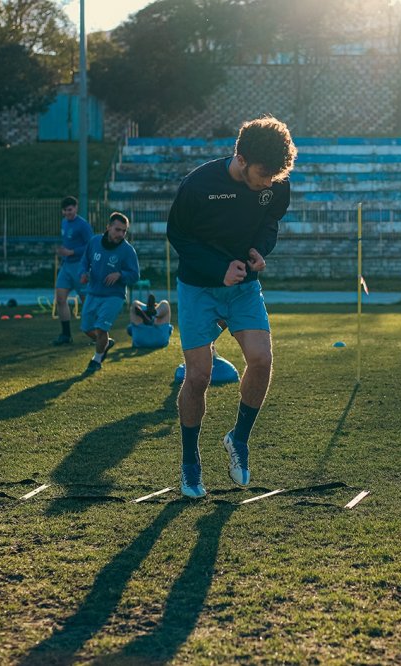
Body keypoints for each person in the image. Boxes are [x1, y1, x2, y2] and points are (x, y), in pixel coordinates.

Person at [167, 115, 296, 499]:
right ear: (240, 158)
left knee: (261, 359)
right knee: (199, 376)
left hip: (242, 286)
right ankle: (190, 462)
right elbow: (178, 235)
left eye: (275, 175)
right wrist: (216, 268)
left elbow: (270, 221)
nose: (269, 182)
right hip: (198, 286)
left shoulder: (275, 185)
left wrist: (261, 250)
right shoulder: (198, 185)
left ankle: (238, 439)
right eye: (263, 173)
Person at [78, 211, 140, 374]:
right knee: (86, 328)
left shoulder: (128, 250)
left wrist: (120, 274)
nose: (121, 234)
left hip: (114, 295)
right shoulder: (94, 241)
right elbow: (85, 261)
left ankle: (97, 360)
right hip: (93, 292)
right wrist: (83, 274)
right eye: (117, 230)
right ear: (108, 227)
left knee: (101, 328)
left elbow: (135, 275)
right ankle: (105, 343)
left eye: (124, 231)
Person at [52, 196, 93, 345]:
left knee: (86, 302)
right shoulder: (64, 222)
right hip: (66, 266)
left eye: (70, 210)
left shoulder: (83, 225)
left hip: (80, 267)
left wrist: (72, 252)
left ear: (75, 208)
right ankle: (66, 335)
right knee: (60, 299)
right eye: (65, 210)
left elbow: (91, 245)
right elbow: (67, 243)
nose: (67, 213)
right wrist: (62, 252)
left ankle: (97, 335)